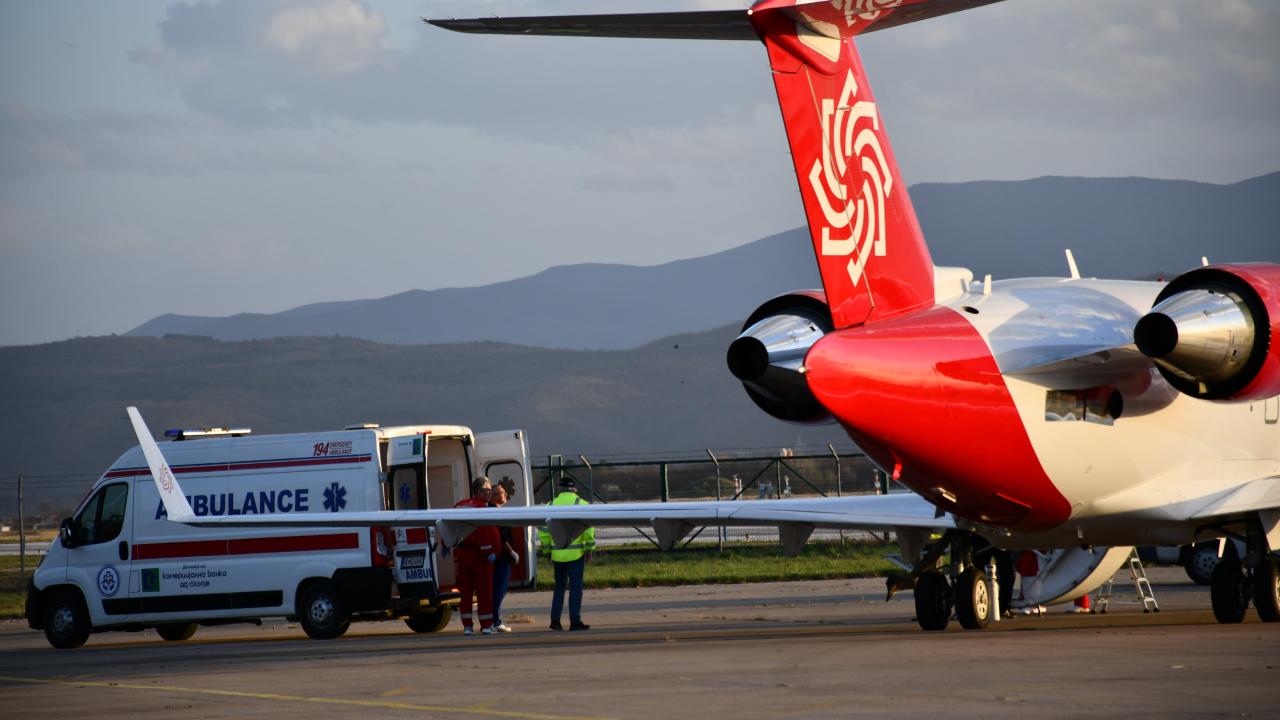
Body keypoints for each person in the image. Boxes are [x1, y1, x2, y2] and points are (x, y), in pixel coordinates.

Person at [540, 476, 595, 631]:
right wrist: (589, 549)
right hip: (576, 555)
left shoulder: (550, 505)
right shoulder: (582, 504)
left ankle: (555, 621)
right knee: (576, 588)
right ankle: (575, 621)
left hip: (557, 555)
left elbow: (544, 531)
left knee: (559, 587)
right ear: (574, 490)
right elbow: (588, 529)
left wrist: (547, 551)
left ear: (559, 490)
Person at [453, 476, 501, 635]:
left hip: (463, 556)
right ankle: (486, 625)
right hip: (480, 557)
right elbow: (482, 533)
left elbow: (450, 525)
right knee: (484, 592)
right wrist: (488, 551)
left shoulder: (460, 505)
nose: (490, 493)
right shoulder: (481, 509)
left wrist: (448, 545)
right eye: (488, 490)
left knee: (465, 592)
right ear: (478, 491)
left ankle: (467, 626)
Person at [489, 482, 519, 633]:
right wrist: (512, 552)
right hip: (501, 559)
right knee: (498, 591)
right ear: (494, 496)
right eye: (502, 493)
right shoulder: (495, 512)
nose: (505, 495)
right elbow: (501, 538)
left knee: (497, 590)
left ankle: (494, 620)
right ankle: (495, 621)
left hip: (499, 558)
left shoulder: (496, 510)